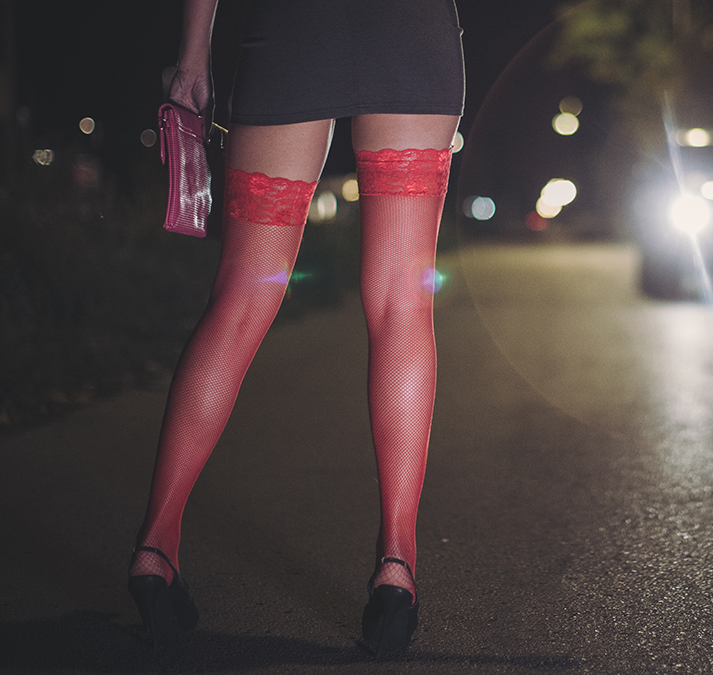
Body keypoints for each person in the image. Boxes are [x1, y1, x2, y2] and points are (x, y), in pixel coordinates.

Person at [126, 0, 464, 657]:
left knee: (241, 297)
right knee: (402, 302)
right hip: (411, 34)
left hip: (293, 33)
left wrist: (192, 58)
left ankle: (154, 549)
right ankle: (396, 568)